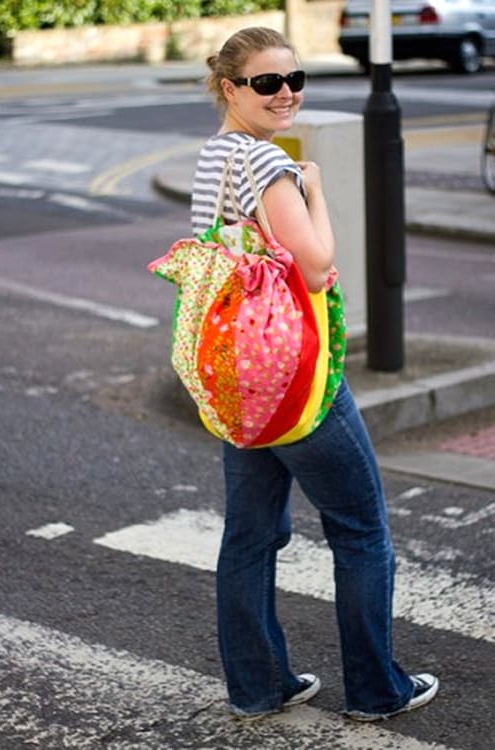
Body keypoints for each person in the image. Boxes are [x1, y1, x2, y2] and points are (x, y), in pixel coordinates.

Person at [190, 26, 439, 721]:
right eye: (267, 83)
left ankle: (257, 686)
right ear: (230, 87)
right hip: (296, 380)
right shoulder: (267, 166)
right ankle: (375, 690)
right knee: (361, 532)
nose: (286, 93)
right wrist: (314, 187)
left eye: (295, 80)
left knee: (248, 536)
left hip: (238, 378)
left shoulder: (214, 158)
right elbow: (316, 264)